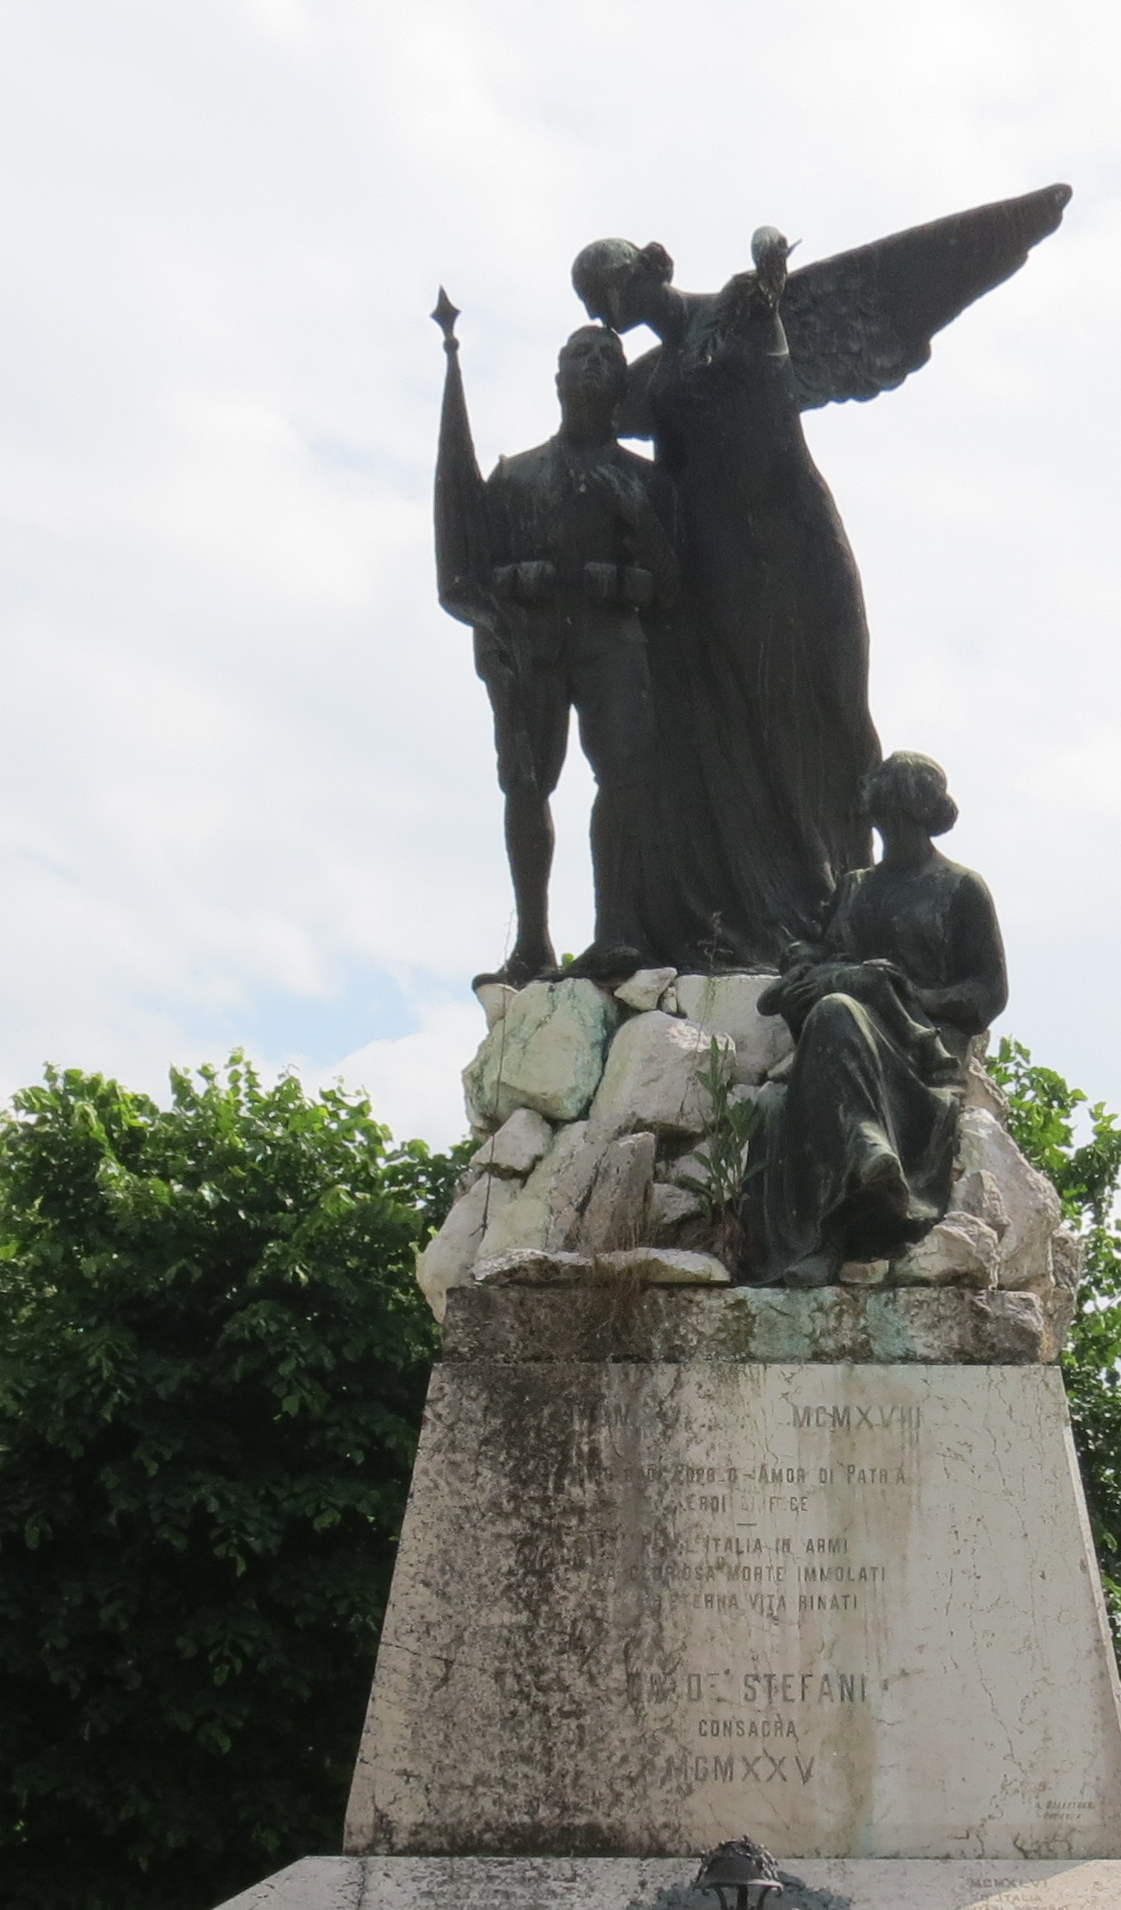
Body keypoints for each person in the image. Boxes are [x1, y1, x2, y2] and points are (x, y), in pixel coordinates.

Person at [570, 185, 1069, 961]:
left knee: (823, 710)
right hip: (714, 561)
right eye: (597, 308)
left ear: (643, 272)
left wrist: (768, 284)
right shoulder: (651, 375)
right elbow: (598, 447)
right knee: (728, 721)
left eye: (607, 295)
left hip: (789, 544)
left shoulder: (744, 308)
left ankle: (847, 897)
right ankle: (734, 906)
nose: (608, 316)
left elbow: (767, 390)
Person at [436, 317, 678, 985]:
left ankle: (616, 933)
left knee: (626, 779)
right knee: (525, 783)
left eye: (608, 355)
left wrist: (630, 575)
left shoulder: (648, 483)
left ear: (622, 382)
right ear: (559, 378)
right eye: (581, 354)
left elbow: (678, 584)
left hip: (614, 643)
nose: (595, 363)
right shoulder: (515, 477)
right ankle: (532, 943)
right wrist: (518, 582)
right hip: (534, 646)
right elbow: (472, 571)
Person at [732, 753, 1008, 1287]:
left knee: (840, 1008)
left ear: (915, 808)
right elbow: (818, 952)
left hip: (919, 1056)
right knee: (787, 1084)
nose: (879, 810)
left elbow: (987, 994)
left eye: (891, 798)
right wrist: (808, 968)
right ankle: (834, 1213)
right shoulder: (854, 887)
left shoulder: (960, 888)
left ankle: (863, 1150)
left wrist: (911, 992)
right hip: (842, 1049)